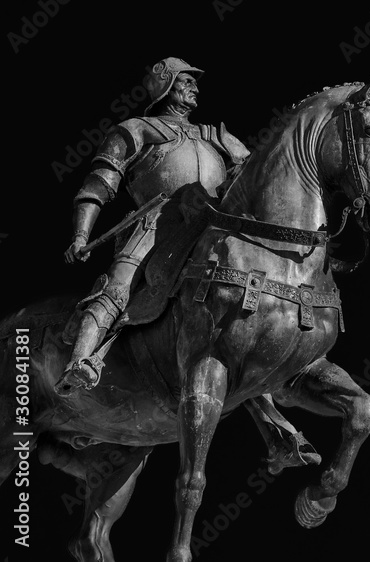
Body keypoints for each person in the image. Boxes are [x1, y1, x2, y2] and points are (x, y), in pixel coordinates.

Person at [56, 57, 318, 471]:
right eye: (186, 80)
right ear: (164, 85)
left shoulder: (217, 135)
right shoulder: (136, 130)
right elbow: (98, 185)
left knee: (234, 324)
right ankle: (81, 363)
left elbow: (254, 176)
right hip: (157, 226)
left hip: (211, 227)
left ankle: (276, 430)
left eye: (195, 81)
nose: (195, 86)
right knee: (117, 288)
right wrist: (81, 234)